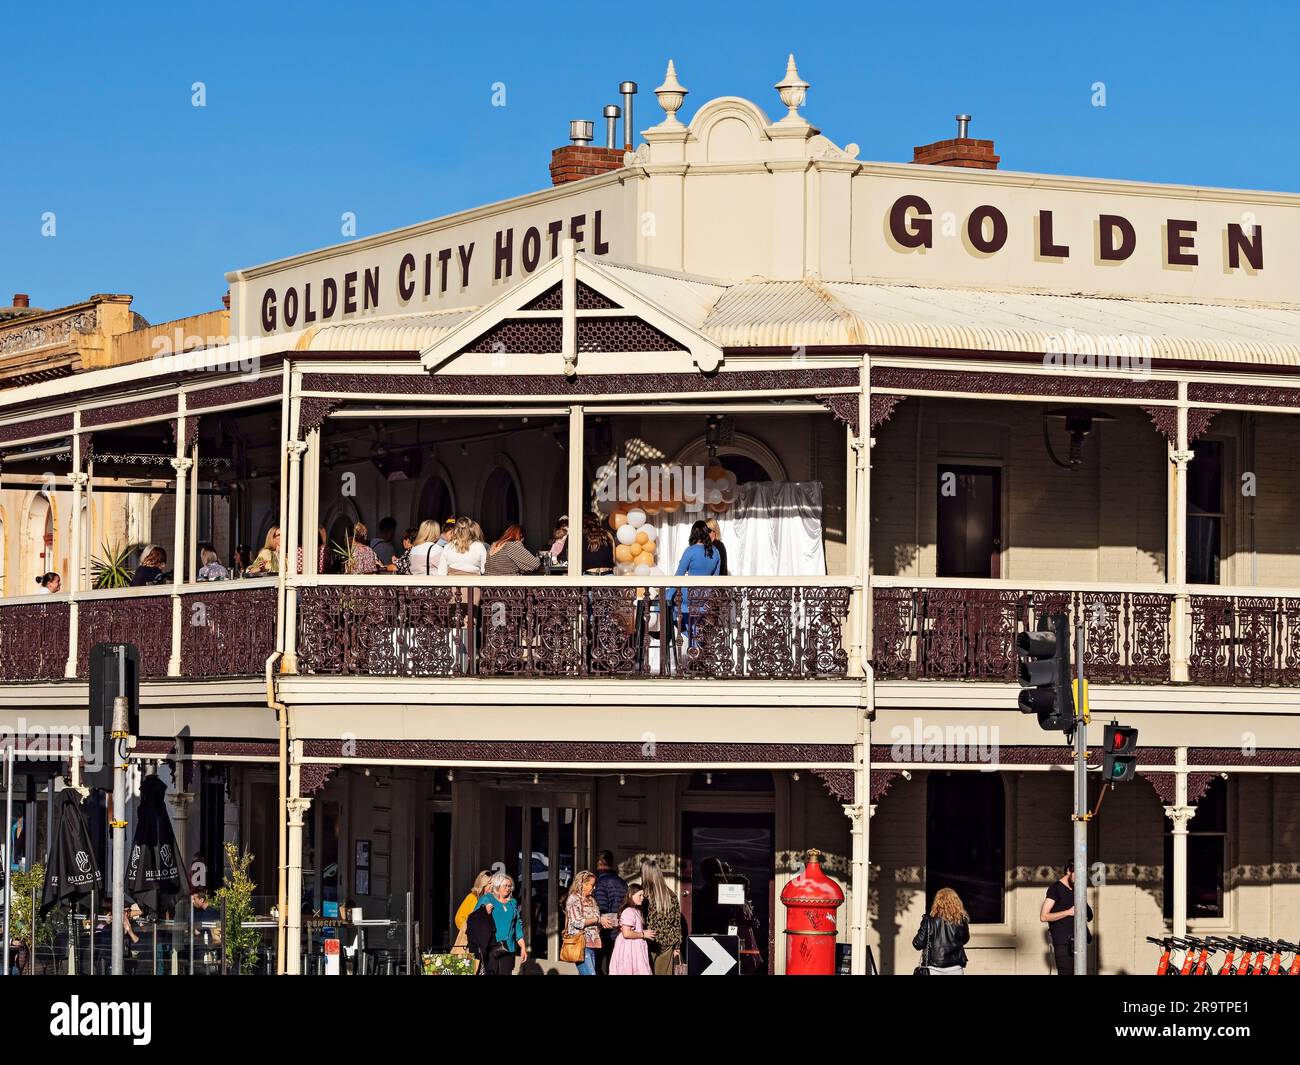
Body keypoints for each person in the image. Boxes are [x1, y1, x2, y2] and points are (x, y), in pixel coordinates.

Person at [666, 520, 721, 632]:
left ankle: (679, 633)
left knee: (661, 600)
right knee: (692, 623)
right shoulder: (715, 552)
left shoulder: (690, 551)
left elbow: (679, 575)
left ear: (694, 534)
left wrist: (668, 596)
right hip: (706, 596)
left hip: (689, 595)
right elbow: (716, 578)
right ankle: (694, 639)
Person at [1041, 860, 1093, 975]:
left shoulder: (1076, 890)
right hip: (1063, 944)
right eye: (1077, 875)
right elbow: (1044, 916)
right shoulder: (1055, 889)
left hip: (1078, 941)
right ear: (1069, 871)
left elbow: (1089, 915)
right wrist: (1068, 912)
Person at [473, 872, 527, 974]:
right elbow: (473, 919)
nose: (508, 888)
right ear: (497, 886)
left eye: (510, 886)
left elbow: (517, 925)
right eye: (505, 885)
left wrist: (523, 947)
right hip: (490, 947)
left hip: (508, 948)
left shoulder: (512, 902)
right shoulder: (487, 898)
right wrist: (484, 912)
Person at [912, 887, 971, 975]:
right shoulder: (961, 920)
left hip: (933, 969)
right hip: (955, 968)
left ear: (937, 902)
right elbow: (965, 939)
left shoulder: (928, 920)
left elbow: (917, 944)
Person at [640, 858, 683, 975]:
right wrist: (677, 946)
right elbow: (677, 923)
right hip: (667, 942)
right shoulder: (672, 896)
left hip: (649, 940)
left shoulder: (643, 897)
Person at [593, 850, 627, 974]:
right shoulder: (622, 882)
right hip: (619, 930)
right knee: (613, 966)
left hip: (605, 931)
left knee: (596, 966)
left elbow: (601, 907)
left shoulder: (601, 882)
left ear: (600, 862)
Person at [563, 870, 603, 975]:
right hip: (581, 943)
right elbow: (577, 922)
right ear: (583, 884)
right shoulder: (574, 899)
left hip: (592, 943)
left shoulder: (591, 900)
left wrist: (603, 922)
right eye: (592, 885)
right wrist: (597, 920)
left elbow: (596, 918)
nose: (594, 888)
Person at [609, 883, 654, 975]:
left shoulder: (636, 911)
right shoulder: (628, 911)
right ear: (631, 895)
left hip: (636, 946)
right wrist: (643, 934)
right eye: (640, 895)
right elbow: (626, 933)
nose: (642, 898)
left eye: (643, 895)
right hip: (629, 947)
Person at [451, 870, 492, 968]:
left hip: (487, 941)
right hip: (472, 942)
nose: (492, 885)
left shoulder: (493, 898)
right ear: (483, 884)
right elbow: (459, 918)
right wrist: (470, 931)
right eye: (490, 883)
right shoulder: (472, 898)